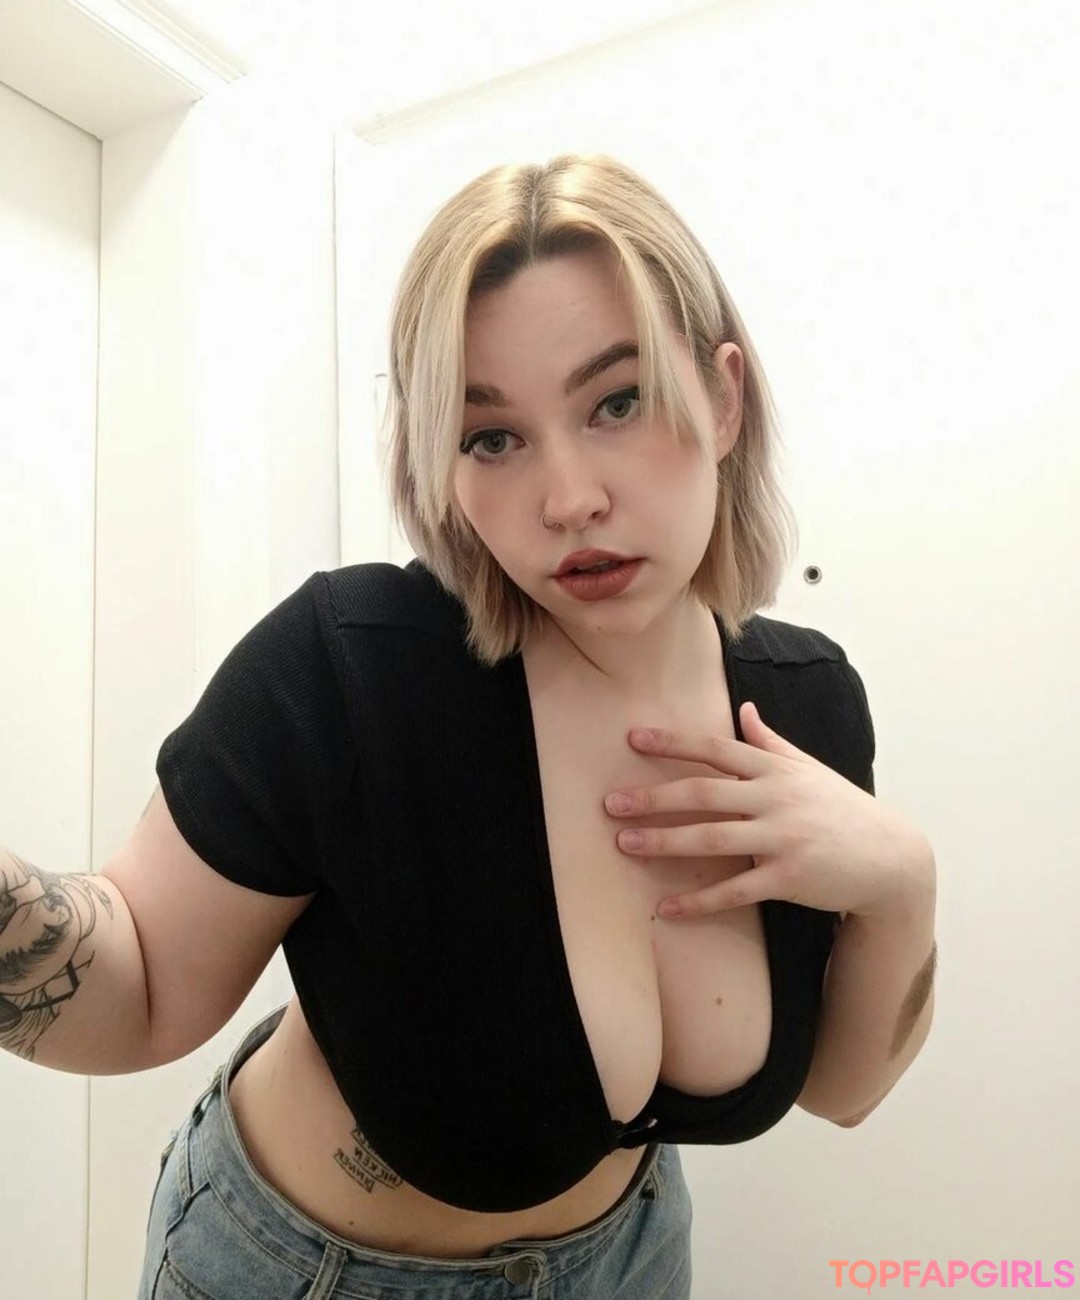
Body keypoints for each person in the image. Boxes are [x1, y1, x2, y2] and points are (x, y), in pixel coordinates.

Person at [1, 153, 938, 1299]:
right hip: (304, 1269)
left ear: (724, 397)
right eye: (492, 436)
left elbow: (843, 1088)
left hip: (636, 1257)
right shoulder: (352, 672)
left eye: (617, 401)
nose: (569, 497)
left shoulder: (806, 703)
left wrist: (902, 884)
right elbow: (141, 983)